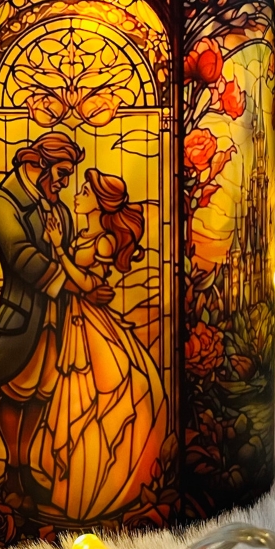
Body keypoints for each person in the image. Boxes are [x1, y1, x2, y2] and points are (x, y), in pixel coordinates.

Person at [0, 132, 112, 503]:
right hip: (22, 319)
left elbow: (66, 257)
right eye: (61, 173)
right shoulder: (4, 203)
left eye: (68, 175)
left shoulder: (60, 210)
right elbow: (21, 257)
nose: (64, 182)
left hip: (58, 320)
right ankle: (12, 470)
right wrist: (79, 288)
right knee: (16, 392)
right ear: (37, 163)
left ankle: (23, 468)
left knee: (43, 393)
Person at [38, 168, 167, 521]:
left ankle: (97, 496)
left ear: (99, 201)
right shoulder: (82, 235)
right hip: (75, 318)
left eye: (84, 190)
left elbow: (86, 283)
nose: (77, 193)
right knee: (75, 399)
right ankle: (69, 496)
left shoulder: (104, 242)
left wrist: (58, 249)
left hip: (92, 321)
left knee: (104, 396)